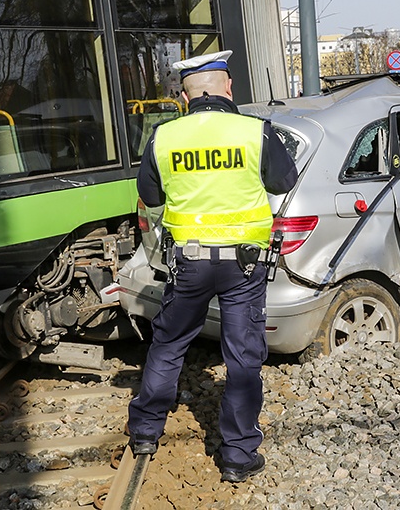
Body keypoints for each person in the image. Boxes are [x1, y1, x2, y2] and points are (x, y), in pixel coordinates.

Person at [126, 50, 298, 483]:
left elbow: (151, 196)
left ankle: (145, 431)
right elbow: (284, 181)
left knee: (169, 344)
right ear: (228, 88)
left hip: (190, 263)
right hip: (244, 265)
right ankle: (238, 456)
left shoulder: (165, 136)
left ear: (185, 96)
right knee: (243, 356)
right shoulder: (255, 131)